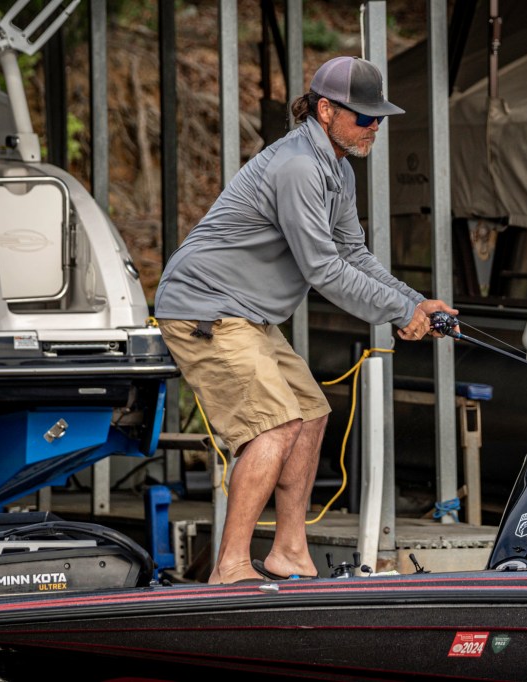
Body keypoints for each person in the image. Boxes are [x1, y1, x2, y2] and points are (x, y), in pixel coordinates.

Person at [154, 56, 457, 584]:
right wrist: (397, 312)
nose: (375, 127)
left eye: (380, 118)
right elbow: (323, 269)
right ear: (325, 111)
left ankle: (289, 552)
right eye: (365, 117)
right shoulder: (297, 166)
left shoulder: (337, 169)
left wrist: (415, 302)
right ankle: (230, 567)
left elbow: (353, 254)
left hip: (248, 316)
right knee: (275, 423)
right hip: (205, 308)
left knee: (311, 414)